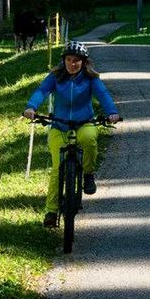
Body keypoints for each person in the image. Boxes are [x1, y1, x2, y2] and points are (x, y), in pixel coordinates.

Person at [22, 40, 121, 228]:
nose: (72, 64)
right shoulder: (56, 76)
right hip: (59, 125)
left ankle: (88, 174)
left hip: (84, 122)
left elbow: (103, 95)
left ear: (84, 62)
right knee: (57, 169)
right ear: (64, 60)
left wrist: (111, 112)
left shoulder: (90, 79)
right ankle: (51, 212)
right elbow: (42, 91)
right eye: (68, 60)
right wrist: (31, 107)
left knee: (89, 139)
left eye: (76, 60)